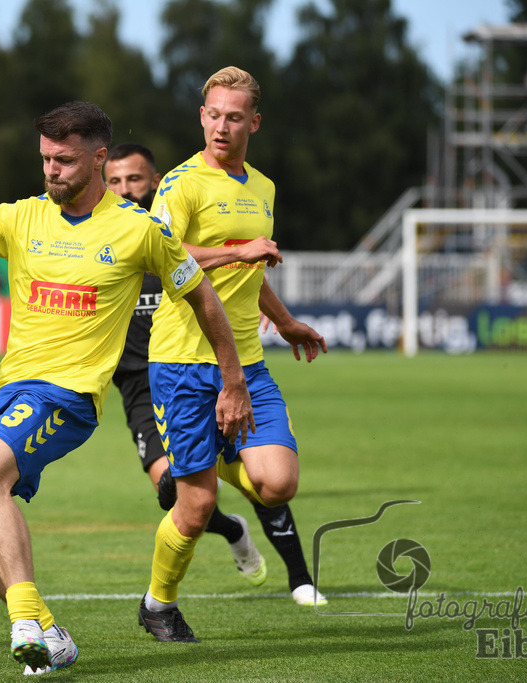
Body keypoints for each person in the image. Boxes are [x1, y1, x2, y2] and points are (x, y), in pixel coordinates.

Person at [0, 101, 254, 674]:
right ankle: (48, 629)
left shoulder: (141, 231)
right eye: (45, 158)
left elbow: (203, 298)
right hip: (6, 390)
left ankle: (22, 621)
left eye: (65, 161)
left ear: (98, 159)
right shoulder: (20, 217)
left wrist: (233, 377)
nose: (51, 171)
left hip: (69, 395)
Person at [138, 67, 328, 643]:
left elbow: (253, 269)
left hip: (247, 361)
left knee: (278, 482)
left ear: (254, 122)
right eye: (214, 115)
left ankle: (220, 455)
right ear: (202, 117)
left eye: (234, 117)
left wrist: (286, 319)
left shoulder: (264, 188)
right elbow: (158, 254)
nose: (222, 126)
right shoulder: (181, 183)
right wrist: (237, 249)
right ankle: (158, 605)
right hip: (181, 362)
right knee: (195, 511)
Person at [104, 142, 326, 606]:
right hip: (143, 382)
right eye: (115, 181)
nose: (125, 189)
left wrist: (282, 319)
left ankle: (300, 576)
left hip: (220, 359)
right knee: (186, 499)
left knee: (269, 477)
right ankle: (222, 542)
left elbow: (240, 271)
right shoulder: (103, 241)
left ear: (154, 181)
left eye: (134, 179)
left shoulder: (172, 221)